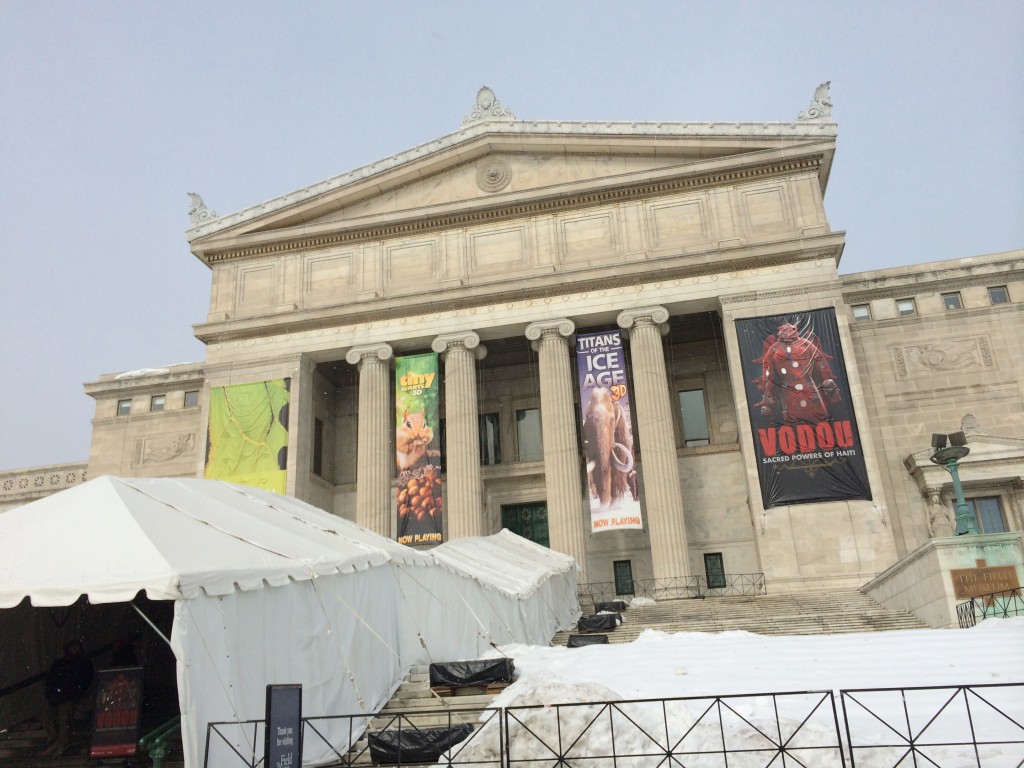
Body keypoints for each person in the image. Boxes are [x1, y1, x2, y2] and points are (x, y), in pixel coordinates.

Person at [41, 639, 94, 755]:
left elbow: (86, 679)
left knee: (65, 720)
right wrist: (50, 693)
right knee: (47, 718)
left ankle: (63, 744)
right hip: (56, 696)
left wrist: (77, 691)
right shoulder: (59, 663)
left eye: (76, 647)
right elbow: (51, 679)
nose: (74, 650)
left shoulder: (83, 663)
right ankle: (54, 741)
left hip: (69, 696)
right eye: (72, 647)